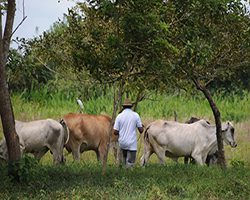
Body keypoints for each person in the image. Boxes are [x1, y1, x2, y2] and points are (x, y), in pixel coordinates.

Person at [113, 98, 144, 168]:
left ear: (123, 107)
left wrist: (121, 131)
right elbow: (141, 130)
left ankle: (123, 174)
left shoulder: (119, 116)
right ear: (131, 106)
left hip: (122, 143)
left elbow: (115, 132)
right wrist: (141, 126)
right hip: (132, 144)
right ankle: (129, 174)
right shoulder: (136, 115)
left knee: (123, 161)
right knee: (130, 163)